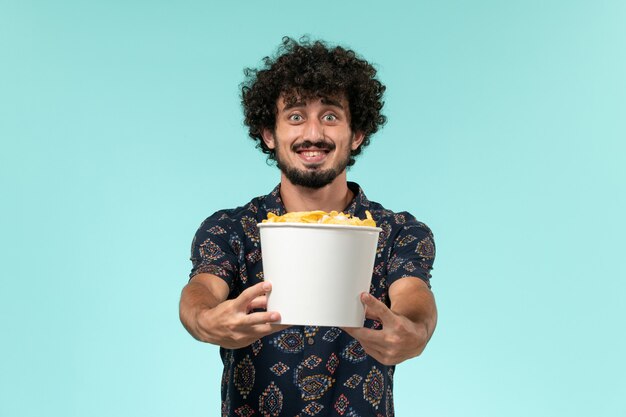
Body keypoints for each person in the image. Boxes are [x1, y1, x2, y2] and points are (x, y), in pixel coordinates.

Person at [179, 37, 437, 417]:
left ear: (357, 134)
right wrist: (205, 321)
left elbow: (414, 298)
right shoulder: (231, 229)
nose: (313, 134)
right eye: (296, 116)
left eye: (330, 116)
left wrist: (415, 331)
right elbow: (201, 289)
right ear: (270, 134)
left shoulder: (396, 232)